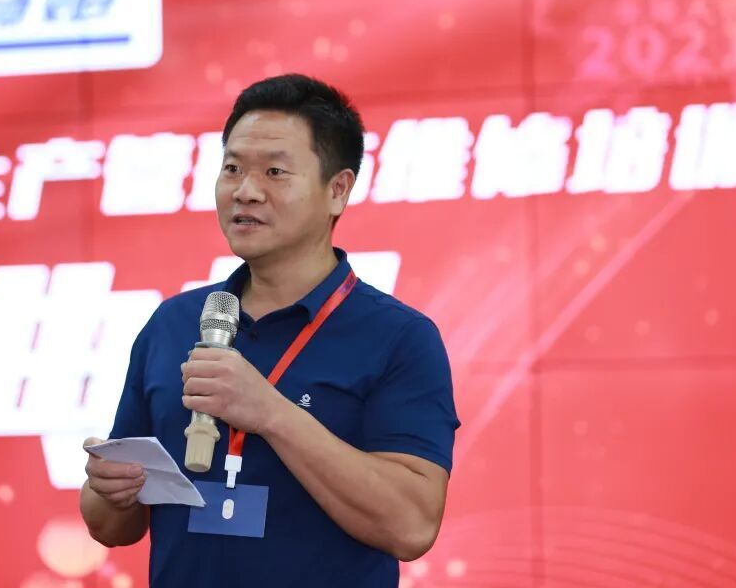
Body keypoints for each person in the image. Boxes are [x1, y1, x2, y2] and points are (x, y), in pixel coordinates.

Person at [80, 74, 460, 586]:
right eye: (232, 168)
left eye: (275, 172)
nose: (246, 191)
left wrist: (270, 413)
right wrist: (108, 490)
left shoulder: (399, 337)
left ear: (337, 190)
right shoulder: (174, 323)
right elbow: (111, 527)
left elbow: (411, 526)